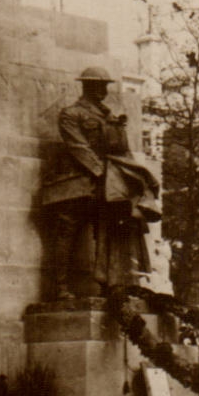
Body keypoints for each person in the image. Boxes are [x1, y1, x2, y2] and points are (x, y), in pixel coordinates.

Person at [41, 67, 162, 299]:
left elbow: (122, 152)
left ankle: (110, 285)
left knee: (110, 231)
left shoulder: (110, 118)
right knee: (67, 232)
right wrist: (100, 172)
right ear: (86, 86)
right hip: (76, 182)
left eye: (105, 85)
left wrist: (135, 177)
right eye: (98, 85)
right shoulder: (71, 114)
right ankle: (61, 287)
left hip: (108, 185)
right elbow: (78, 147)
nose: (103, 90)